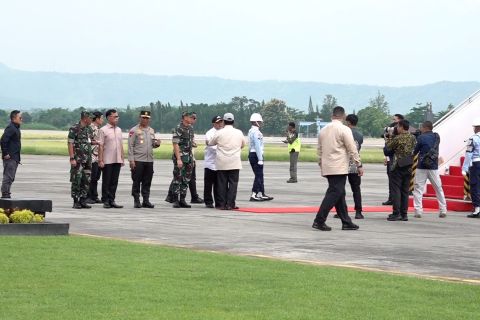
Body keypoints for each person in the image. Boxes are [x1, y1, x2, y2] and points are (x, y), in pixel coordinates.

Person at [312, 106, 363, 231]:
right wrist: (359, 164)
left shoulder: (323, 130)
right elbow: (352, 148)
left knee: (340, 193)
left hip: (327, 166)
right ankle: (319, 220)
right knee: (334, 193)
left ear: (332, 115)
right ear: (343, 116)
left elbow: (319, 150)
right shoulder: (344, 129)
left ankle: (346, 221)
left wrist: (321, 164)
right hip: (339, 167)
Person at [208, 112, 245, 210]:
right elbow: (243, 144)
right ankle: (230, 204)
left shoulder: (219, 132)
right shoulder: (239, 132)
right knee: (233, 184)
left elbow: (211, 143)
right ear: (233, 121)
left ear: (224, 121)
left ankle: (222, 204)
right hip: (235, 161)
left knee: (222, 184)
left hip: (222, 162)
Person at [412, 121, 447, 218]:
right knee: (438, 188)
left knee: (418, 189)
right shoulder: (436, 137)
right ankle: (443, 209)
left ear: (425, 127)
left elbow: (415, 151)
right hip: (433, 166)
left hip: (422, 166)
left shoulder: (421, 138)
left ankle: (418, 210)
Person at [385, 119, 417, 221]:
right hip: (408, 165)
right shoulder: (412, 137)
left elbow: (387, 150)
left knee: (396, 190)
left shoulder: (397, 138)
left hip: (397, 165)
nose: (396, 128)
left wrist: (388, 138)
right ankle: (404, 214)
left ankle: (396, 213)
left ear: (402, 127)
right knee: (405, 191)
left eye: (398, 126)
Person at [128, 110, 161, 208]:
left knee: (147, 181)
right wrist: (131, 160)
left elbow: (152, 145)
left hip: (149, 160)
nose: (145, 120)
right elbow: (130, 146)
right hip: (138, 160)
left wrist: (157, 144)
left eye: (147, 118)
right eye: (143, 118)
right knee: (136, 180)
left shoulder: (151, 130)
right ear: (140, 118)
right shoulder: (134, 130)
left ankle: (146, 200)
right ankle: (136, 200)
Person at [98, 109, 124, 209]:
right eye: (115, 116)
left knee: (114, 181)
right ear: (109, 117)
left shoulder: (119, 130)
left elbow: (120, 144)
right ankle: (105, 200)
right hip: (107, 159)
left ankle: (112, 199)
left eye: (118, 117)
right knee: (107, 181)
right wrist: (100, 160)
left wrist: (122, 157)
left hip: (117, 159)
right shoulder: (103, 130)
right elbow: (100, 146)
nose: (117, 118)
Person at [67, 111, 93, 209]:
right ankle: (76, 201)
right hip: (78, 159)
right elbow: (70, 143)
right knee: (76, 180)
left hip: (87, 159)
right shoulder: (74, 128)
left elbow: (89, 141)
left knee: (86, 180)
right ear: (85, 118)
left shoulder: (88, 129)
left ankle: (83, 200)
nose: (92, 120)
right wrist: (72, 158)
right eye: (90, 118)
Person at [170, 111, 195, 208]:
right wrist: (178, 159)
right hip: (181, 157)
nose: (191, 118)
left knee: (186, 179)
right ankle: (175, 200)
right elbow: (175, 144)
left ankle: (182, 199)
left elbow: (190, 141)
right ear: (184, 117)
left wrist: (193, 144)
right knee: (177, 178)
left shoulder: (190, 128)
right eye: (189, 116)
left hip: (189, 157)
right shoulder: (178, 128)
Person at [248, 113, 273, 202]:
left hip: (253, 154)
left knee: (260, 175)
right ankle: (254, 194)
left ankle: (261, 193)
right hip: (256, 155)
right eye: (259, 121)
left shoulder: (251, 131)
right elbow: (257, 146)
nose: (261, 123)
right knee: (258, 175)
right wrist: (260, 159)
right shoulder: (256, 132)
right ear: (256, 122)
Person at [382, 114, 404, 205]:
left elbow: (388, 148)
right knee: (392, 181)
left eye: (395, 120)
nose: (393, 122)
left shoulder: (399, 135)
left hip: (395, 161)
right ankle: (392, 198)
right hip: (395, 160)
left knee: (394, 181)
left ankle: (394, 199)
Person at [1, 110, 22, 198]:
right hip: (10, 157)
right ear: (14, 118)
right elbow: (3, 140)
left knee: (11, 177)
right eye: (20, 117)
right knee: (8, 177)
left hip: (15, 157)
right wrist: (5, 153)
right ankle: (5, 194)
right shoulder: (11, 128)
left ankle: (7, 193)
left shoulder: (15, 128)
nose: (21, 119)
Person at [346, 114, 364, 219]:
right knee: (356, 189)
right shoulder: (360, 135)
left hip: (343, 164)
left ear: (348, 122)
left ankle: (341, 211)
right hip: (355, 164)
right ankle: (358, 212)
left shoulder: (344, 132)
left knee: (340, 189)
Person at [204, 115, 224, 208]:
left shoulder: (223, 132)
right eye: (218, 122)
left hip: (219, 163)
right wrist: (222, 149)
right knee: (208, 184)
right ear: (213, 123)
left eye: (221, 122)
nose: (220, 124)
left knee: (218, 184)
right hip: (210, 163)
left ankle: (218, 201)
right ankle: (208, 201)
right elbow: (211, 146)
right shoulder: (209, 133)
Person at [462, 118, 480, 218]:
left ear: (477, 128)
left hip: (476, 164)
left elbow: (469, 154)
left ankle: (477, 209)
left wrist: (464, 168)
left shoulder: (473, 138)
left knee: (475, 186)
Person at [86, 111, 104, 204]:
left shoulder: (97, 128)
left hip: (97, 157)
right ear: (96, 119)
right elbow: (88, 140)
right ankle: (88, 196)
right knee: (91, 177)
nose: (102, 120)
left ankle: (94, 195)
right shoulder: (90, 128)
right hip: (91, 156)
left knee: (96, 177)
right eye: (101, 118)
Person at [188, 112, 204, 204]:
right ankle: (172, 196)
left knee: (191, 178)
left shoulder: (190, 129)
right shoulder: (186, 128)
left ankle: (194, 196)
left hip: (190, 157)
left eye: (195, 118)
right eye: (193, 118)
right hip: (186, 158)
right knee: (181, 178)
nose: (194, 120)